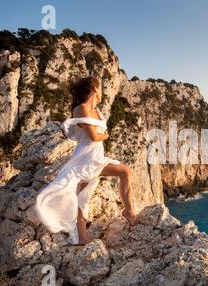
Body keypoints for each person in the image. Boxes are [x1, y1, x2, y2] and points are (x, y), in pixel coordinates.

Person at [34, 77, 138, 245]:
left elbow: (99, 134)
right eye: (101, 88)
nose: (102, 91)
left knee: (123, 172)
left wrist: (103, 135)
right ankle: (82, 236)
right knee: (81, 194)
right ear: (94, 88)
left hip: (97, 156)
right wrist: (105, 135)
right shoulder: (80, 109)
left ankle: (129, 211)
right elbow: (95, 136)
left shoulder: (97, 111)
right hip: (85, 157)